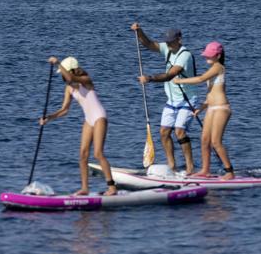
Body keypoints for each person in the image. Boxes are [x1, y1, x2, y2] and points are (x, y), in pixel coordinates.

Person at [40, 56, 117, 196]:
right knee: (82, 155)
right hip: (89, 120)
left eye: (63, 72)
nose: (62, 76)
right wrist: (48, 118)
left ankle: (112, 187)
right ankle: (85, 188)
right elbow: (64, 110)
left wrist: (58, 63)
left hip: (100, 117)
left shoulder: (86, 80)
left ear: (72, 70)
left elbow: (70, 78)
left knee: (98, 153)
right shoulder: (68, 88)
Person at [131, 23, 197, 174]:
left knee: (179, 131)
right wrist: (139, 31)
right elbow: (148, 44)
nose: (168, 43)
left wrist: (149, 78)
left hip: (187, 100)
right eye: (166, 41)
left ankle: (190, 167)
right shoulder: (167, 48)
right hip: (171, 100)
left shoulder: (185, 55)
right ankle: (172, 166)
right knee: (164, 132)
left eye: (171, 41)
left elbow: (170, 75)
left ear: (179, 39)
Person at [173, 41, 234, 180]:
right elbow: (211, 94)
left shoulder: (218, 67)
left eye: (209, 55)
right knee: (204, 140)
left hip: (221, 109)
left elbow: (200, 79)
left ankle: (229, 172)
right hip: (211, 108)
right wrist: (200, 109)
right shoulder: (212, 69)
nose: (206, 57)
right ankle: (205, 170)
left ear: (218, 56)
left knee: (216, 142)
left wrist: (179, 81)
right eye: (206, 54)